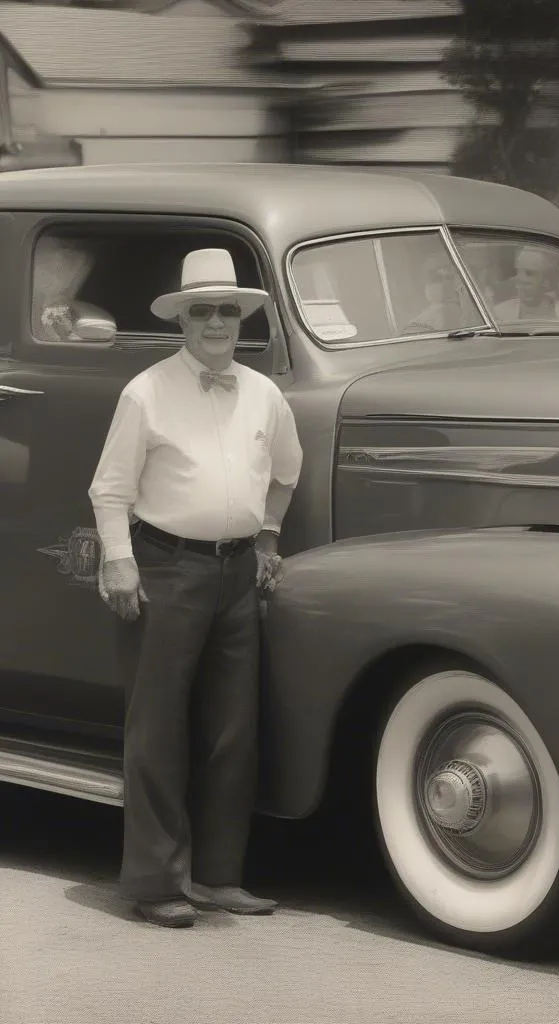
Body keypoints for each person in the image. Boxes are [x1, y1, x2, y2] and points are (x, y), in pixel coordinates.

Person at [88, 248, 303, 929]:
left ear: (241, 320)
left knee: (231, 730)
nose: (217, 322)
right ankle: (154, 884)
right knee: (158, 729)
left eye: (228, 311)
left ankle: (217, 877)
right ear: (182, 320)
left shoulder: (265, 394)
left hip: (237, 573)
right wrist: (120, 562)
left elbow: (287, 470)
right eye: (203, 310)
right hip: (166, 568)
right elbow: (110, 488)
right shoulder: (146, 391)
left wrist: (267, 534)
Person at [493, 247, 559, 321]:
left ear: (546, 280)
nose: (522, 279)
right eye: (518, 272)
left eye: (530, 273)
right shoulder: (500, 314)